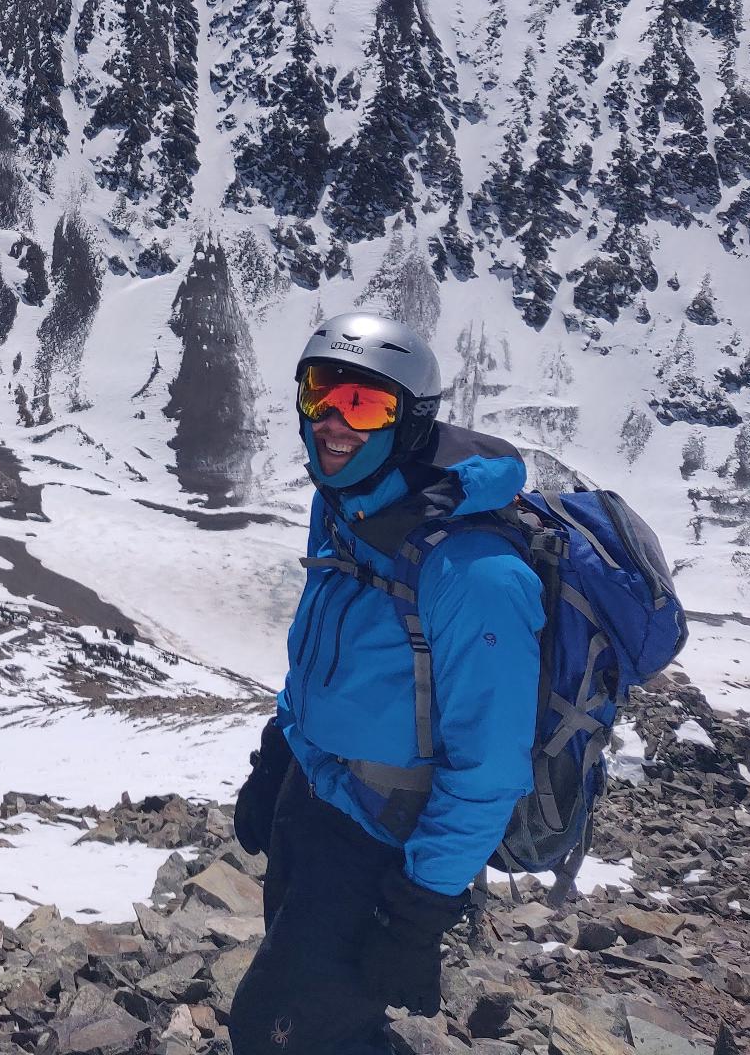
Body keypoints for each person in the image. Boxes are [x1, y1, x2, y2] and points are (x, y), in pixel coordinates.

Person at [227, 312, 544, 1054]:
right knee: (324, 1029)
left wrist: (419, 911)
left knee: (275, 1034)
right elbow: (319, 658)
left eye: (365, 405)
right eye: (321, 393)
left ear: (411, 423)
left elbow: (492, 769)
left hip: (382, 842)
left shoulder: (476, 572)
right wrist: (279, 753)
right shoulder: (342, 504)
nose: (335, 422)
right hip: (312, 797)